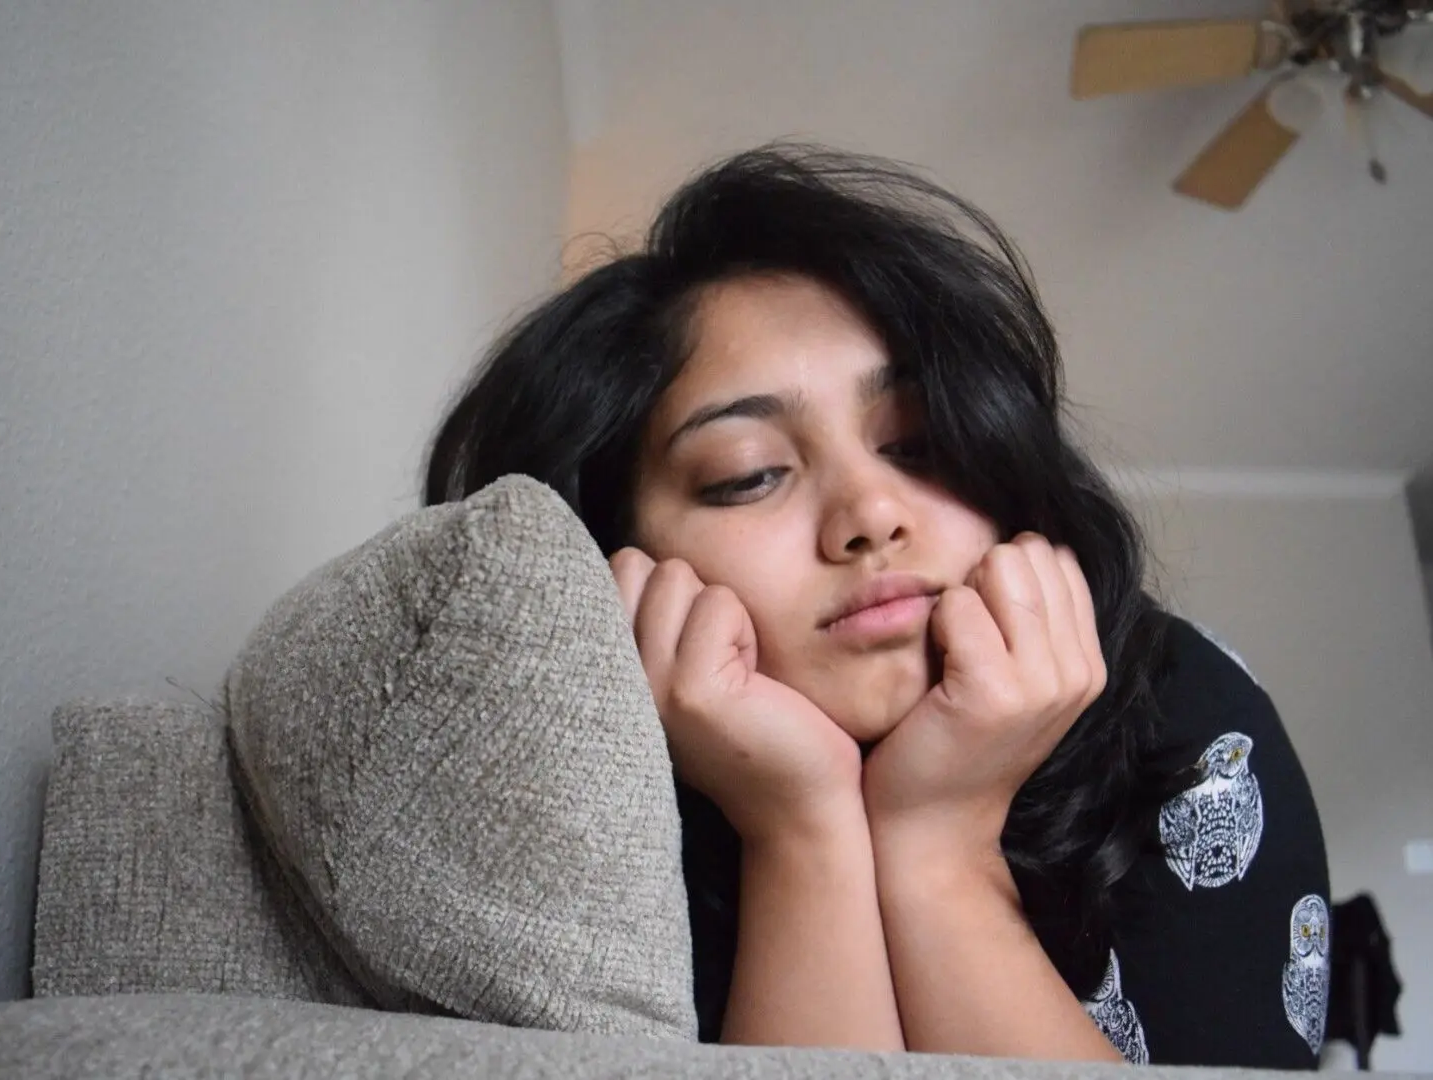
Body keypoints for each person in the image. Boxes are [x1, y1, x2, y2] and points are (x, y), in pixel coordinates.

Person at [424, 145, 1330, 1068]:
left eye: (920, 442)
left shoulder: (1184, 715)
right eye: (749, 476)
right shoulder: (545, 822)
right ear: (615, 558)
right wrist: (800, 832)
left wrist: (941, 844)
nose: (871, 517)